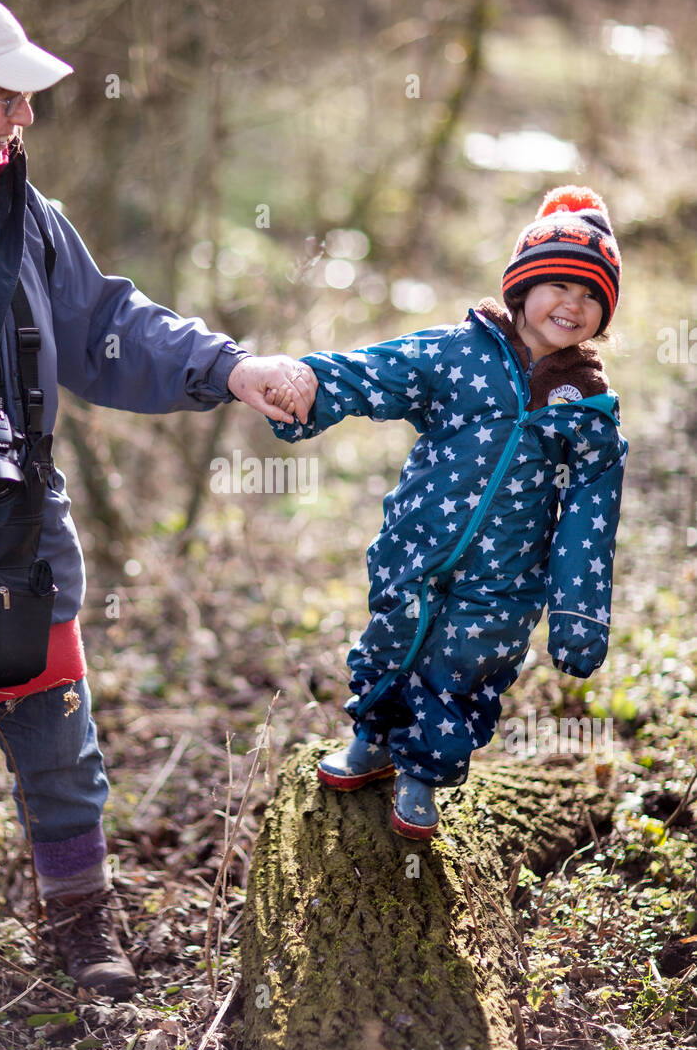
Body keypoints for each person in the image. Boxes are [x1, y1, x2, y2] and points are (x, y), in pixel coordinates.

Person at [0, 0, 318, 1002]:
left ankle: (81, 930)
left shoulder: (20, 210)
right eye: (5, 97)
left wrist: (228, 368)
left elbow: (106, 325)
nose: (26, 116)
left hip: (16, 545)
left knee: (61, 756)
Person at [266, 187, 628, 839]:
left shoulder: (588, 409)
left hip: (506, 579)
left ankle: (423, 775)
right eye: (559, 286)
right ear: (522, 288)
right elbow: (380, 372)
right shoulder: (461, 353)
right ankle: (372, 738)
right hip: (416, 543)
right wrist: (308, 387)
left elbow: (589, 517)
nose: (573, 305)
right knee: (391, 638)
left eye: (591, 296)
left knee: (463, 668)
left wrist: (579, 614)